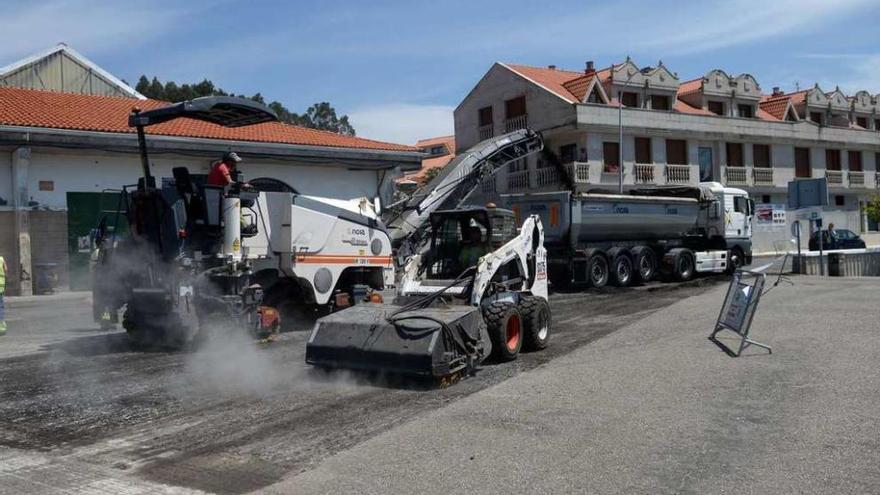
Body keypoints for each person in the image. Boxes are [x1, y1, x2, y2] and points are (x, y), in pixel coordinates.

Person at [0, 255, 6, 336]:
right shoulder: (1, 259)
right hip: (0, 288)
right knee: (0, 307)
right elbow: (6, 269)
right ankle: (1, 327)